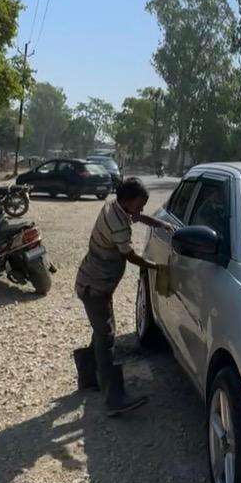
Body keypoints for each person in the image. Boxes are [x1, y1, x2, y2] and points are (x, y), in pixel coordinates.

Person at [73, 177, 172, 415]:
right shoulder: (117, 221)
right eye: (139, 204)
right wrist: (155, 267)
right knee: (106, 336)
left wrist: (160, 224)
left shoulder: (116, 206)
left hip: (98, 283)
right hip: (95, 286)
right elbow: (130, 255)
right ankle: (113, 397)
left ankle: (89, 378)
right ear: (127, 200)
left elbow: (137, 216)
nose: (141, 210)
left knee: (101, 330)